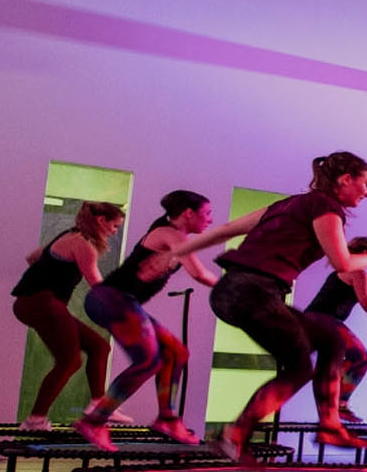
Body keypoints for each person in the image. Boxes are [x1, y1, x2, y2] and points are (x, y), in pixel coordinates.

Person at [166, 152, 367, 460]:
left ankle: (329, 424)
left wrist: (176, 252)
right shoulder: (325, 206)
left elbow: (227, 229)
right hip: (253, 292)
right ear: (346, 180)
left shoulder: (287, 205)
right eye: (366, 184)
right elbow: (342, 262)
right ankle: (235, 433)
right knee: (300, 367)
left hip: (231, 291)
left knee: (330, 340)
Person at [73, 191, 219, 450]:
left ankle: (167, 418)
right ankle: (95, 421)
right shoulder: (169, 233)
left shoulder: (175, 236)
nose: (210, 219)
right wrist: (241, 289)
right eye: (206, 213)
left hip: (121, 301)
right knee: (148, 360)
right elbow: (200, 274)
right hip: (111, 298)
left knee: (176, 353)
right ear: (188, 213)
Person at [12, 201, 126, 431]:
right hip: (42, 303)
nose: (115, 232)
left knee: (99, 347)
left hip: (38, 303)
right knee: (69, 360)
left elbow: (33, 257)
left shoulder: (69, 235)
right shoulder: (82, 244)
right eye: (114, 226)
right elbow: (96, 284)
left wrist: (48, 273)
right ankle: (35, 420)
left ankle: (97, 403)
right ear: (101, 221)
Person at [303, 236, 367, 425]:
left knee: (330, 366)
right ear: (366, 253)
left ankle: (330, 410)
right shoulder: (358, 273)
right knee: (361, 358)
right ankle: (339, 403)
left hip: (311, 321)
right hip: (323, 321)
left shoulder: (341, 271)